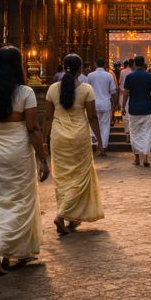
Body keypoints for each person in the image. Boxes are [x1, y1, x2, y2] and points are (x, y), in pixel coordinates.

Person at [0, 46, 49, 276]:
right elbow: (33, 128)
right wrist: (43, 159)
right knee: (20, 200)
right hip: (18, 151)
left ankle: (2, 250)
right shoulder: (25, 93)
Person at [45, 54, 104, 234]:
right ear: (80, 70)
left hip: (58, 137)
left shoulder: (52, 89)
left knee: (62, 179)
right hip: (80, 137)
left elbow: (47, 118)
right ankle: (61, 215)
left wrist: (44, 140)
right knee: (79, 178)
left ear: (63, 67)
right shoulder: (86, 89)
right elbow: (92, 117)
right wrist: (100, 140)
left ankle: (71, 218)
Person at [122, 55, 151, 167]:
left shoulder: (130, 77)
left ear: (134, 64)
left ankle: (137, 158)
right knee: (146, 132)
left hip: (133, 108)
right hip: (146, 108)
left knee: (134, 133)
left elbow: (126, 93)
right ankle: (145, 157)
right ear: (143, 63)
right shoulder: (150, 76)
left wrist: (123, 107)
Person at [87, 58, 117, 155]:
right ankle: (102, 147)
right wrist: (115, 103)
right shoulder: (109, 75)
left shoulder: (90, 75)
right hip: (105, 103)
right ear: (104, 65)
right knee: (105, 126)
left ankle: (94, 145)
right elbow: (113, 91)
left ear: (95, 64)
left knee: (93, 124)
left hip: (93, 103)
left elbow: (87, 90)